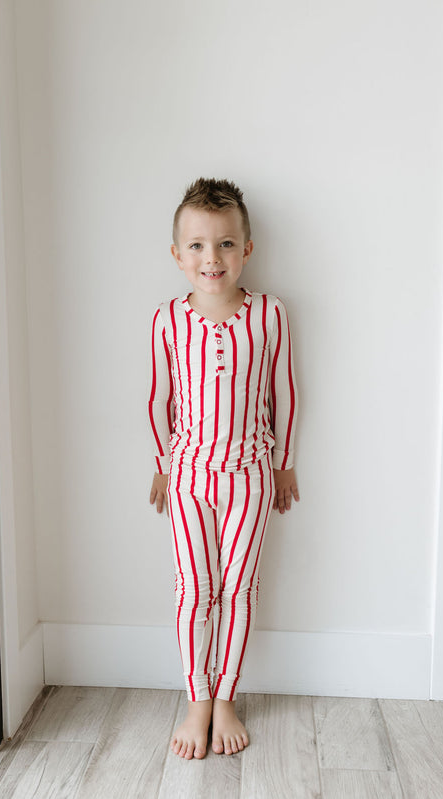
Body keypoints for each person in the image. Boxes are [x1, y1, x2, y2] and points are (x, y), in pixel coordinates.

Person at [148, 178, 299, 760]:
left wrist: (283, 466)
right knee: (196, 590)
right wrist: (164, 463)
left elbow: (285, 392)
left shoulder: (269, 315)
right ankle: (197, 700)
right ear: (177, 254)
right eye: (197, 246)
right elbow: (159, 399)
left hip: (250, 475)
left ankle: (227, 696)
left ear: (247, 249)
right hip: (188, 476)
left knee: (238, 588)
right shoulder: (167, 320)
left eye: (226, 244)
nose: (212, 258)